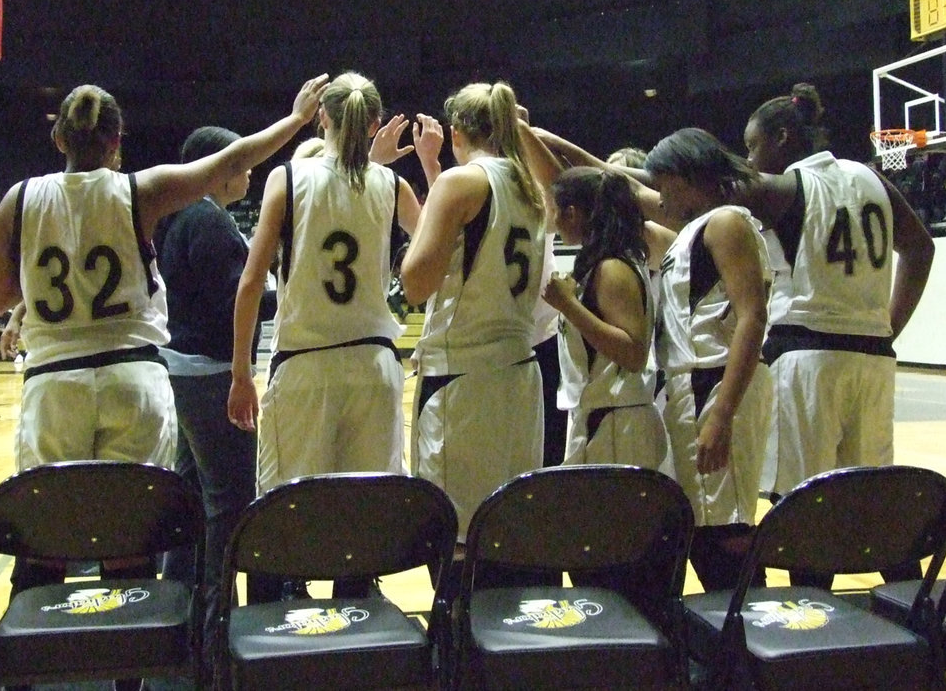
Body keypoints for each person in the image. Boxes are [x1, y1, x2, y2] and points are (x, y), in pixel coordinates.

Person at [0, 76, 326, 623]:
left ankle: (25, 661)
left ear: (59, 141)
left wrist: (41, 294)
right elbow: (229, 159)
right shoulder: (138, 192)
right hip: (130, 381)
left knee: (43, 537)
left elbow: (0, 295)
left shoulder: (18, 200)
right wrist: (296, 121)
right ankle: (131, 666)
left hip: (53, 384)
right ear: (118, 141)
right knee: (131, 542)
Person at [740, 84, 935, 585]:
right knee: (877, 505)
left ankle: (810, 634)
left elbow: (700, 186)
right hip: (872, 360)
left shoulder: (785, 188)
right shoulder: (870, 178)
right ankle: (915, 623)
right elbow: (921, 249)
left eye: (753, 145)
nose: (751, 157)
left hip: (808, 359)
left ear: (782, 138)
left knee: (805, 510)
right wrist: (888, 325)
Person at [229, 73, 423, 494]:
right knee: (367, 512)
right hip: (374, 367)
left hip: (305, 366)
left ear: (321, 118)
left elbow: (250, 283)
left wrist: (242, 373)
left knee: (294, 513)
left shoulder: (289, 178)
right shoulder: (392, 185)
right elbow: (437, 255)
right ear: (374, 124)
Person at [400, 80, 547, 540]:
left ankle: (456, 616)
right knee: (507, 527)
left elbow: (416, 285)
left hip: (462, 376)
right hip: (520, 373)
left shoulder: (461, 181)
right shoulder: (531, 185)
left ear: (456, 132)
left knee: (454, 532)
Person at [638, 128, 774, 593]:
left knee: (725, 529)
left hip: (714, 384)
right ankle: (730, 646)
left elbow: (752, 317)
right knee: (703, 525)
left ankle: (748, 643)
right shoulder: (692, 232)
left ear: (684, 177)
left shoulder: (726, 223)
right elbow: (615, 181)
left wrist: (722, 414)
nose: (657, 194)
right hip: (691, 387)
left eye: (661, 182)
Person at [153, 124, 277, 617]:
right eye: (241, 165)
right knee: (230, 505)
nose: (248, 172)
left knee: (191, 499)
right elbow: (232, 305)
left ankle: (178, 616)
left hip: (182, 371)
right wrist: (283, 296)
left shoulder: (178, 216)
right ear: (220, 170)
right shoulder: (209, 222)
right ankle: (215, 629)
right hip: (211, 376)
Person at [542, 167, 666, 470]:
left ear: (572, 213)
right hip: (604, 417)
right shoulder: (603, 259)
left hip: (618, 425)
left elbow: (633, 353)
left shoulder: (613, 267)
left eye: (556, 210)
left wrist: (568, 306)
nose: (554, 220)